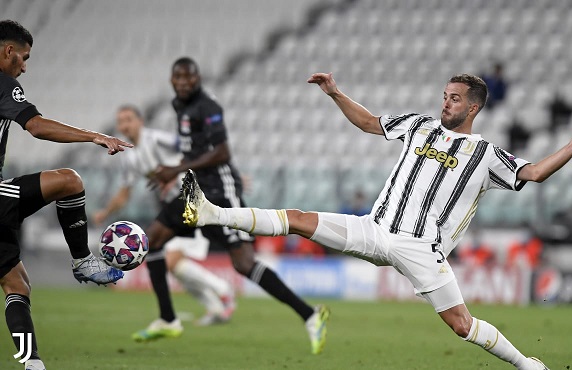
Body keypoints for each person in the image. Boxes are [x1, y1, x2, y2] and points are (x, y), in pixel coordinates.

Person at [182, 72, 572, 370]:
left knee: (461, 325)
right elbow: (369, 122)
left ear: (474, 106)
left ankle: (526, 364)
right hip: (373, 228)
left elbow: (531, 173)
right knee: (298, 218)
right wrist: (335, 93)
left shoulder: (486, 154)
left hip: (421, 249)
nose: (446, 102)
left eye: (455, 98)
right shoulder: (419, 126)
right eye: (444, 95)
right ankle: (211, 212)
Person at [133, 57, 329, 355]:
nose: (184, 83)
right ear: (172, 80)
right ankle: (168, 318)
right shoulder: (178, 105)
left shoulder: (208, 107)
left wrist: (175, 170)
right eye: (178, 78)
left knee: (244, 263)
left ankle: (310, 315)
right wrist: (176, 170)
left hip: (220, 193)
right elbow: (194, 149)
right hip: (193, 189)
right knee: (154, 240)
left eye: (189, 78)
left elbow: (222, 152)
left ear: (197, 79)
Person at [0, 20, 132, 370]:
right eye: (23, 58)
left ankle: (33, 365)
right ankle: (82, 260)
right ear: (7, 51)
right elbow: (37, 125)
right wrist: (94, 136)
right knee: (70, 181)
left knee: (16, 282)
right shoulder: (3, 83)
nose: (24, 67)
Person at [93, 105, 236, 326]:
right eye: (121, 121)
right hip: (172, 207)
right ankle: (216, 307)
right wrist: (105, 212)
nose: (124, 125)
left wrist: (227, 176)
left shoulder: (159, 139)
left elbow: (195, 150)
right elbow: (124, 194)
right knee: (176, 267)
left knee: (170, 261)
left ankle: (223, 291)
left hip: (192, 198)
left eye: (129, 119)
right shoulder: (129, 157)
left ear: (140, 120)